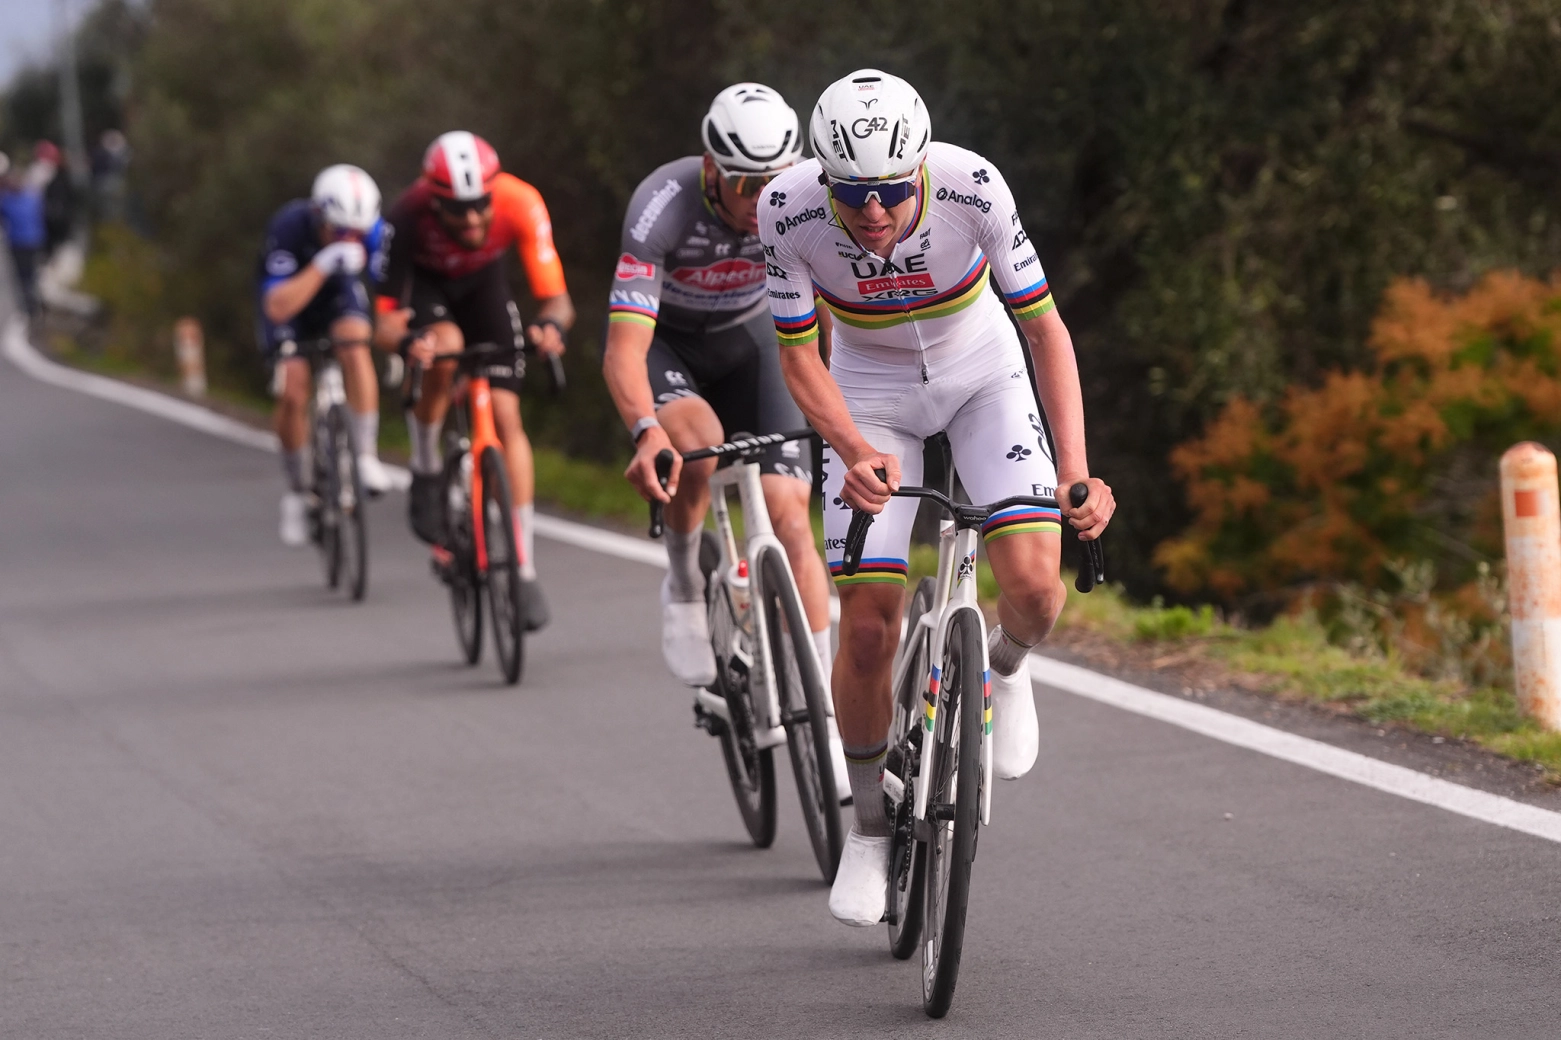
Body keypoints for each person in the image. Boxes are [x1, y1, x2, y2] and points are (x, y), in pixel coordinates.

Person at [761, 70, 1115, 925]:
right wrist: (847, 449)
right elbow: (800, 356)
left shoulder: (973, 185)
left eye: (889, 189)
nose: (874, 211)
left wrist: (1078, 469)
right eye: (853, 193)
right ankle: (872, 830)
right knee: (871, 623)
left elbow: (1043, 330)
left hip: (980, 373)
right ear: (824, 178)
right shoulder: (786, 210)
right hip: (870, 393)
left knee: (1034, 589)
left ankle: (1003, 671)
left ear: (919, 167)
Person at [603, 83, 849, 783]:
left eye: (772, 181)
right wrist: (645, 429)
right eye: (744, 182)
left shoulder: (804, 198)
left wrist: (850, 402)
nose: (758, 198)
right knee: (698, 446)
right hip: (668, 350)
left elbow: (831, 309)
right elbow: (624, 349)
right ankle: (683, 581)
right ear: (711, 168)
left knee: (787, 517)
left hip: (751, 345)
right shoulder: (663, 203)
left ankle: (827, 711)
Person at [373, 131, 573, 631]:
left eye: (480, 205)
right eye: (456, 210)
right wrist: (405, 344)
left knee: (507, 416)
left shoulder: (522, 202)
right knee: (443, 344)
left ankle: (523, 566)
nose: (471, 219)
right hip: (429, 292)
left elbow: (557, 299)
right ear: (432, 199)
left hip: (485, 286)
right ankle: (424, 465)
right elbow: (383, 319)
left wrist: (551, 328)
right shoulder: (405, 215)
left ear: (494, 189)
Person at [256, 164, 393, 546]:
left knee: (355, 341)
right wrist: (322, 264)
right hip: (292, 301)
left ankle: (365, 454)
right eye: (340, 231)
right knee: (293, 388)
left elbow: (392, 296)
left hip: (337, 297)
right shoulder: (289, 226)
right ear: (319, 215)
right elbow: (278, 306)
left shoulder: (374, 231)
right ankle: (298, 490)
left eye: (358, 233)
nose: (350, 238)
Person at [0, 155, 47, 317]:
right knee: (31, 276)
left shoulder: (8, 201)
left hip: (20, 243)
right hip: (34, 240)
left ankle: (30, 308)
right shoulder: (32, 197)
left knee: (23, 278)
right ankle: (35, 305)